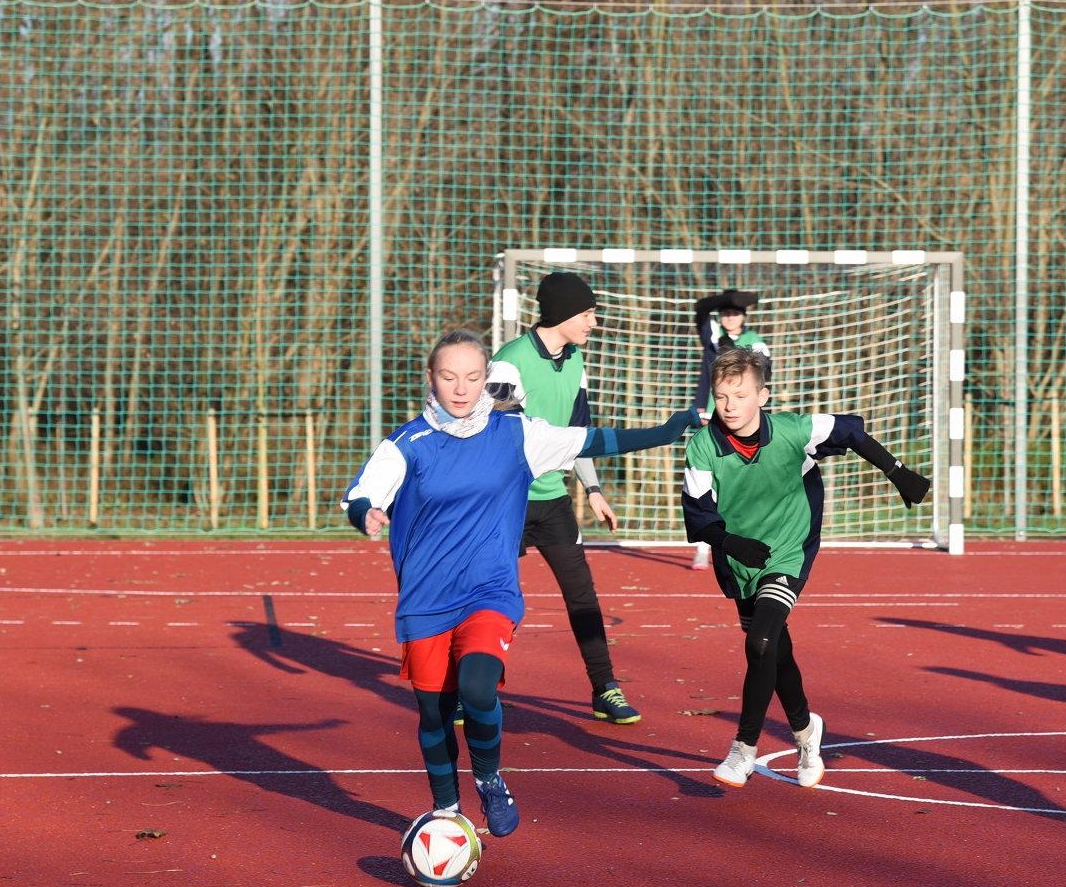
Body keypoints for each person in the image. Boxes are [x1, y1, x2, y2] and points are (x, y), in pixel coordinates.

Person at [343, 328, 697, 836]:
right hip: (425, 598)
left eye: (471, 377)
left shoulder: (517, 435)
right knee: (434, 713)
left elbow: (591, 439)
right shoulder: (407, 444)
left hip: (490, 591)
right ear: (431, 379)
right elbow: (363, 492)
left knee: (478, 686)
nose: (461, 389)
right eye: (448, 377)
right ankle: (446, 810)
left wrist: (664, 431)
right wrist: (365, 514)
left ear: (486, 378)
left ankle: (489, 778)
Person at [682, 347, 928, 790]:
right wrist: (730, 541)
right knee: (775, 650)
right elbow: (699, 515)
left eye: (740, 395)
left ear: (763, 396)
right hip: (738, 558)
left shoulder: (794, 430)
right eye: (721, 397)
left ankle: (743, 748)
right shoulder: (703, 446)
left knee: (760, 644)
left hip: (789, 549)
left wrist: (898, 472)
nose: (730, 406)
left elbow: (851, 433)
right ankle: (805, 732)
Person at [485, 271, 643, 725]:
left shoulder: (575, 362)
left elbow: (578, 437)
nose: (594, 322)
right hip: (506, 500)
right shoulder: (510, 362)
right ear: (563, 313)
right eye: (589, 313)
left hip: (553, 500)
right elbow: (493, 435)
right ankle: (471, 688)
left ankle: (605, 689)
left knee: (583, 596)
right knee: (494, 599)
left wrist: (592, 489)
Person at [688, 290, 773, 570]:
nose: (730, 318)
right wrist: (730, 297)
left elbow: (763, 374)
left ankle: (747, 537)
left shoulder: (755, 341)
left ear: (744, 317)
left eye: (735, 312)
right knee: (706, 482)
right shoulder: (712, 335)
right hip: (713, 417)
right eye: (725, 313)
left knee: (743, 481)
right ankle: (703, 545)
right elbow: (701, 308)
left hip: (745, 421)